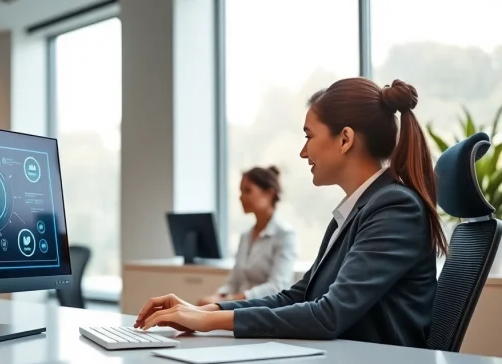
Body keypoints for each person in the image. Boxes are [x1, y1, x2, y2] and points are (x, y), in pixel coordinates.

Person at [135, 78, 446, 348]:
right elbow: (298, 296)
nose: (303, 151)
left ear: (345, 139)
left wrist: (212, 321)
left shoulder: (394, 208)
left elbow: (328, 315)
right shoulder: (355, 211)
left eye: (309, 136)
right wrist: (206, 311)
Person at [196, 166, 297, 306]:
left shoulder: (285, 235)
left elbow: (277, 287)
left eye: (247, 191)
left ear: (269, 193)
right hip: (242, 309)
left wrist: (227, 301)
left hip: (268, 311)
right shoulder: (245, 236)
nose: (241, 197)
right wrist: (217, 297)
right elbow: (233, 283)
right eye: (240, 191)